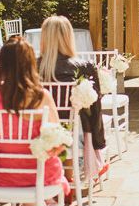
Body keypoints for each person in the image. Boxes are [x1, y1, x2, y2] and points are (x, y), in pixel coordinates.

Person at [0, 38, 69, 195]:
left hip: (3, 175)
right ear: (31, 64)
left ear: (1, 64)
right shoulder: (42, 97)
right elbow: (57, 142)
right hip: (41, 175)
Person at [38, 16, 106, 177]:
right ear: (68, 37)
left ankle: (55, 178)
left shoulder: (32, 66)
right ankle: (67, 179)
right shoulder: (84, 66)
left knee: (60, 128)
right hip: (75, 131)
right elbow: (95, 104)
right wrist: (98, 141)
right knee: (75, 123)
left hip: (39, 129)